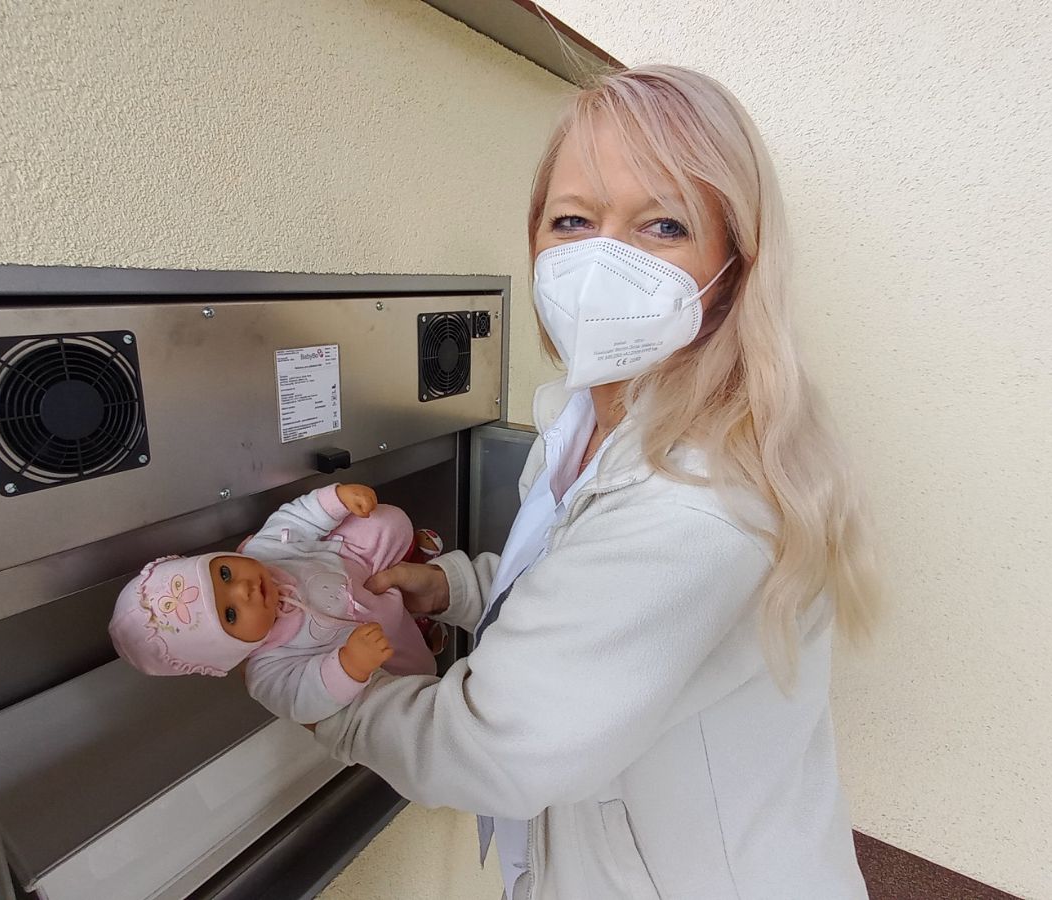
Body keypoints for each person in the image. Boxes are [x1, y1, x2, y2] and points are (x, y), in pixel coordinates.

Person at [309, 65, 881, 898]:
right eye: (572, 220)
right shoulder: (587, 420)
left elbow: (494, 751)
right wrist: (459, 588)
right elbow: (587, 587)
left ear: (734, 269)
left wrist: (314, 685)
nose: (600, 261)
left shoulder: (700, 502)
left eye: (663, 225)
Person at [107, 483, 436, 725]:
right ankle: (420, 626)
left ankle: (412, 560)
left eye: (224, 573)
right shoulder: (268, 669)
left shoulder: (264, 552)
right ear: (231, 649)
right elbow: (302, 699)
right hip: (380, 637)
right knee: (416, 672)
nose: (243, 588)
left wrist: (336, 499)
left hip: (358, 566)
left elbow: (296, 519)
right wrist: (350, 664)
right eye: (230, 613)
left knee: (385, 520)